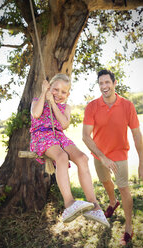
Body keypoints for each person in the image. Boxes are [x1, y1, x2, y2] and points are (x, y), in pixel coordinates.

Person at [30, 73, 110, 227]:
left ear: (68, 94)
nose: (59, 94)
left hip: (58, 135)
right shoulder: (37, 101)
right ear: (49, 88)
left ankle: (94, 206)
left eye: (63, 92)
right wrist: (43, 94)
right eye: (55, 89)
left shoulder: (65, 107)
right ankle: (69, 203)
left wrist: (53, 103)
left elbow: (64, 124)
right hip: (41, 135)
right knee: (61, 157)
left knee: (82, 158)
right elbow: (36, 114)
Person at [82, 69, 143, 245]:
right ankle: (112, 202)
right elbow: (86, 136)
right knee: (106, 182)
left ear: (114, 83)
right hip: (99, 154)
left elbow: (137, 135)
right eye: (101, 83)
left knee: (123, 187)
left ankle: (129, 227)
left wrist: (141, 162)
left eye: (107, 82)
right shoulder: (92, 106)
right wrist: (103, 157)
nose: (104, 86)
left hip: (119, 154)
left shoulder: (127, 106)